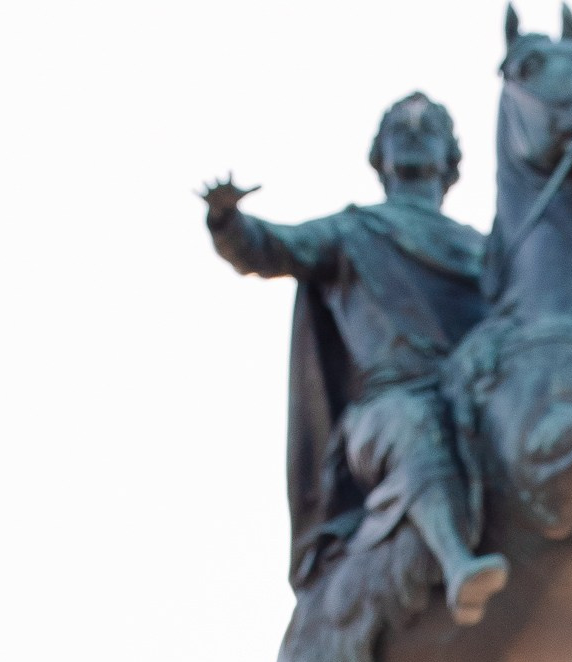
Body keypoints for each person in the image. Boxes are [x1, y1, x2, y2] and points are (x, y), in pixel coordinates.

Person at [205, 94, 509, 627]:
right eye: (400, 129)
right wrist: (228, 221)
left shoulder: (484, 250)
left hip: (471, 399)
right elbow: (270, 248)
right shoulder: (351, 233)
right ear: (380, 157)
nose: (413, 134)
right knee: (417, 426)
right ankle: (458, 565)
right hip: (386, 410)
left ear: (450, 159)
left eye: (427, 128)